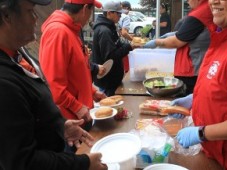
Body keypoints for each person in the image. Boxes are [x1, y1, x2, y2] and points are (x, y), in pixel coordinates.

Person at [0, 0, 107, 169]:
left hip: (64, 130)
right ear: (7, 16)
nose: (36, 18)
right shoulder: (58, 32)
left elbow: (74, 73)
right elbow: (23, 161)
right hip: (61, 141)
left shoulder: (16, 52)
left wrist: (59, 126)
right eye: (30, 11)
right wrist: (83, 164)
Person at [171, 0, 227, 169]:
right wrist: (195, 99)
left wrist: (201, 133)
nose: (213, 1)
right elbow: (223, 85)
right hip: (214, 152)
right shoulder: (224, 34)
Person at [39, 0, 106, 131]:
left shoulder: (71, 29)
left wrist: (91, 92)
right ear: (85, 8)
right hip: (70, 121)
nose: (89, 18)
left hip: (82, 114)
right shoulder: (58, 32)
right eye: (91, 11)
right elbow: (53, 85)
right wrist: (77, 107)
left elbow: (77, 72)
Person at [144, 0, 214, 95]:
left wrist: (157, 42)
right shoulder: (204, 10)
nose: (187, 2)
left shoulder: (200, 13)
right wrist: (175, 34)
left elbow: (176, 42)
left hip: (194, 69)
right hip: (199, 66)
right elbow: (191, 33)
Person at [91, 1, 137, 96]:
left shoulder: (110, 27)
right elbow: (111, 56)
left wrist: (130, 44)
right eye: (118, 13)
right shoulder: (104, 31)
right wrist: (129, 46)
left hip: (113, 79)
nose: (120, 15)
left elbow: (117, 44)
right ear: (109, 13)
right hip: (107, 81)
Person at [118, 1, 133, 73]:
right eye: (129, 9)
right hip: (122, 43)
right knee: (126, 65)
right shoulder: (126, 17)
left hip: (114, 42)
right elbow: (124, 33)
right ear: (127, 8)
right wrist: (133, 40)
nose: (128, 11)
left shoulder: (116, 15)